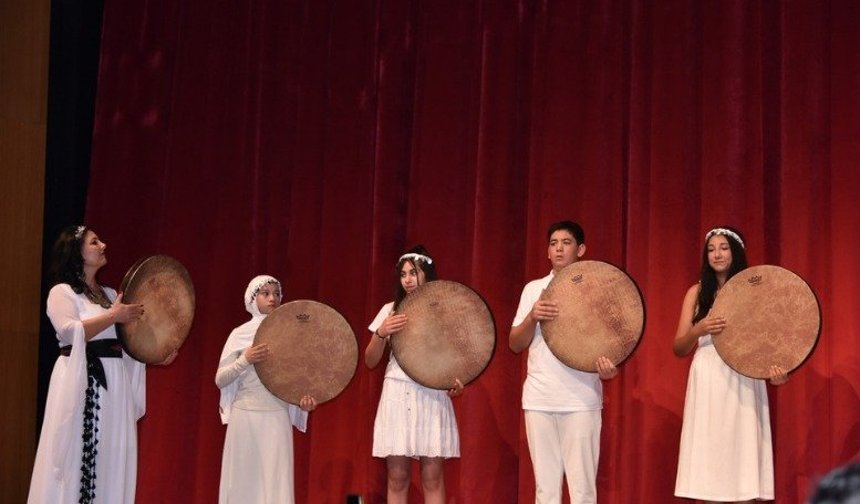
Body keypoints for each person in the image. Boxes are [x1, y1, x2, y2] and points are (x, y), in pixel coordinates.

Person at [28, 225, 177, 504]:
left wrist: (155, 354)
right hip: (80, 377)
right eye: (94, 242)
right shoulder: (62, 292)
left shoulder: (109, 294)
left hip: (113, 382)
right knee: (78, 452)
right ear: (77, 252)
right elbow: (70, 330)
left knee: (110, 450)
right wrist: (113, 317)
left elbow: (129, 343)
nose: (103, 245)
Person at [673, 226, 789, 502]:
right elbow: (679, 347)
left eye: (724, 247)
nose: (717, 254)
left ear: (736, 252)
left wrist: (777, 372)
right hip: (709, 378)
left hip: (744, 376)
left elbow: (771, 343)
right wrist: (698, 330)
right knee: (710, 461)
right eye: (711, 249)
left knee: (743, 459)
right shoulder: (696, 293)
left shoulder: (755, 292)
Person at [509, 220, 619, 504]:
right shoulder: (534, 290)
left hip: (581, 400)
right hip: (539, 398)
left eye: (566, 243)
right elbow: (515, 344)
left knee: (582, 491)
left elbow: (613, 345)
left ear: (581, 249)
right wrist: (532, 317)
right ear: (547, 251)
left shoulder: (596, 290)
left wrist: (609, 369)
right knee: (545, 490)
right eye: (553, 243)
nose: (558, 249)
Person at [364, 245, 464, 504]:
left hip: (431, 391)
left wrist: (455, 382)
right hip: (397, 391)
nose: (408, 279)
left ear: (427, 274)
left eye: (414, 272)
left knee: (432, 477)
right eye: (403, 274)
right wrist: (381, 332)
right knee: (397, 477)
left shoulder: (443, 310)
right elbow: (370, 360)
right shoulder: (390, 310)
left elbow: (455, 360)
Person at [215, 275, 316, 504]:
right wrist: (245, 359)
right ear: (252, 298)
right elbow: (221, 379)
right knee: (243, 482)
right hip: (245, 416)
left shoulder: (291, 334)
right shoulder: (239, 334)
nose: (273, 298)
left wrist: (304, 403)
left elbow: (296, 381)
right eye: (266, 293)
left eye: (277, 294)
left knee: (275, 484)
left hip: (276, 417)